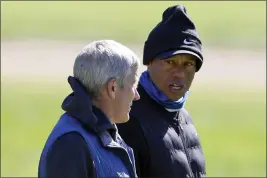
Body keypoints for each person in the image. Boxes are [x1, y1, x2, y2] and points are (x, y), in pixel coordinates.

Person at [117, 4, 206, 178]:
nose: (179, 73)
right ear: (149, 62)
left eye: (188, 64)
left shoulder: (184, 117)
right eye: (170, 62)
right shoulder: (129, 117)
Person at [38, 40, 140, 178]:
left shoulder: (105, 131)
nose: (137, 96)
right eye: (133, 84)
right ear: (113, 88)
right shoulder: (71, 145)